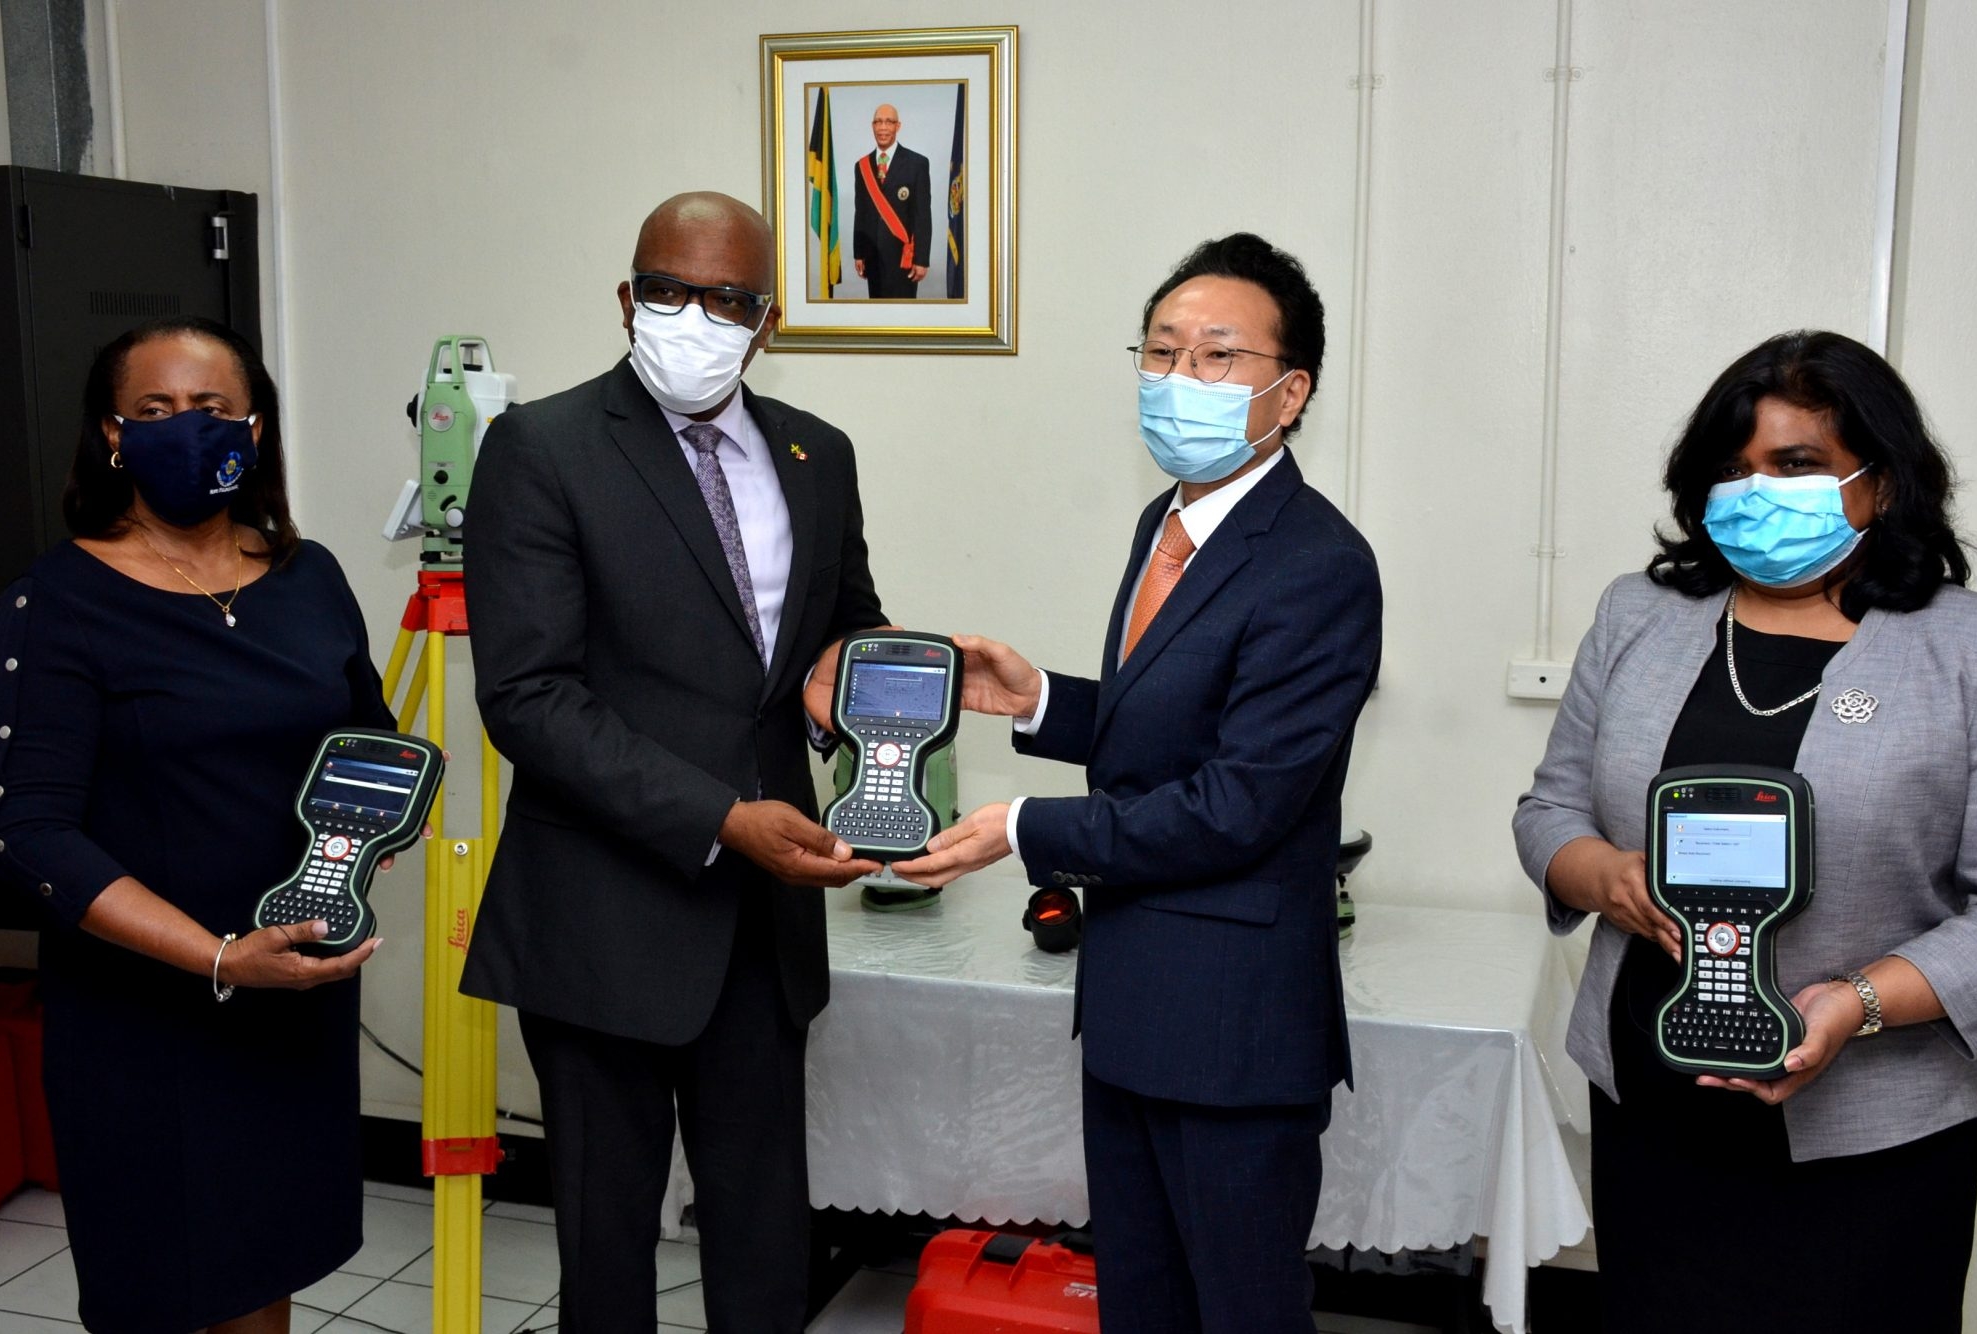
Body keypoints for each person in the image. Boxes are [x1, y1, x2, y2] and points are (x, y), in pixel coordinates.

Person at [895, 233, 1382, 1334]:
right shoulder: (1164, 524)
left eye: (1215, 357)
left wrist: (1019, 828)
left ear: (1287, 390)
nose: (1177, 380)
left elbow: (1237, 802)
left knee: (1241, 1311)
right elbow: (1170, 733)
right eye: (1159, 351)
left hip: (1232, 1023)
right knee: (1143, 1306)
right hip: (1130, 1001)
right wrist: (1038, 701)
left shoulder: (1317, 564)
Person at [1513, 330, 1977, 1334]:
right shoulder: (1638, 616)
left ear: (1879, 483)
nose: (1753, 491)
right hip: (1651, 1106)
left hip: (1867, 1140)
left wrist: (1851, 1002)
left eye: (1792, 464)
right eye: (1731, 468)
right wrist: (1602, 875)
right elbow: (1548, 810)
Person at [460, 191, 888, 1333]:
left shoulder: (816, 453)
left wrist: (871, 701)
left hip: (762, 919)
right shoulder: (539, 447)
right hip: (602, 917)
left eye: (726, 298)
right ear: (626, 297)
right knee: (608, 1253)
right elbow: (528, 696)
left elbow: (845, 626)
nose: (692, 315)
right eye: (666, 289)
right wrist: (717, 817)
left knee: (764, 1239)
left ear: (768, 319)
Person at [0, 317, 397, 1334]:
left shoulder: (309, 578)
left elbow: (370, 742)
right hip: (146, 1017)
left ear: (254, 429)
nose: (188, 429)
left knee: (265, 1269)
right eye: (156, 411)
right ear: (113, 436)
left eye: (212, 409)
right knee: (162, 1285)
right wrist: (220, 956)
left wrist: (370, 838)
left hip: (289, 998)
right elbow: (33, 830)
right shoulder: (58, 600)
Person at [851, 102, 932, 298]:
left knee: (903, 318)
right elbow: (860, 212)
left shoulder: (917, 164)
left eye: (889, 122)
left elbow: (922, 215)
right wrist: (859, 252)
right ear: (872, 126)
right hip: (872, 256)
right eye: (878, 122)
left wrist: (922, 259)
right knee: (877, 318)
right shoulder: (862, 166)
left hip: (904, 257)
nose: (883, 127)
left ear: (898, 126)